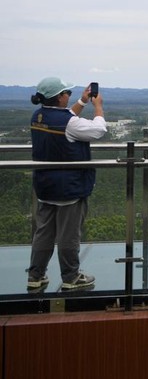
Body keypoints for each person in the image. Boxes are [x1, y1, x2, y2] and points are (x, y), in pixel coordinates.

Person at [27, 77, 107, 290]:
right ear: (59, 97)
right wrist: (98, 108)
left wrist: (81, 102)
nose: (69, 96)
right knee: (69, 235)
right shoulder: (69, 123)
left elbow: (65, 119)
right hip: (69, 187)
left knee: (43, 232)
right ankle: (71, 277)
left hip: (45, 185)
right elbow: (98, 131)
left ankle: (35, 275)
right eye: (67, 93)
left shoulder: (39, 116)